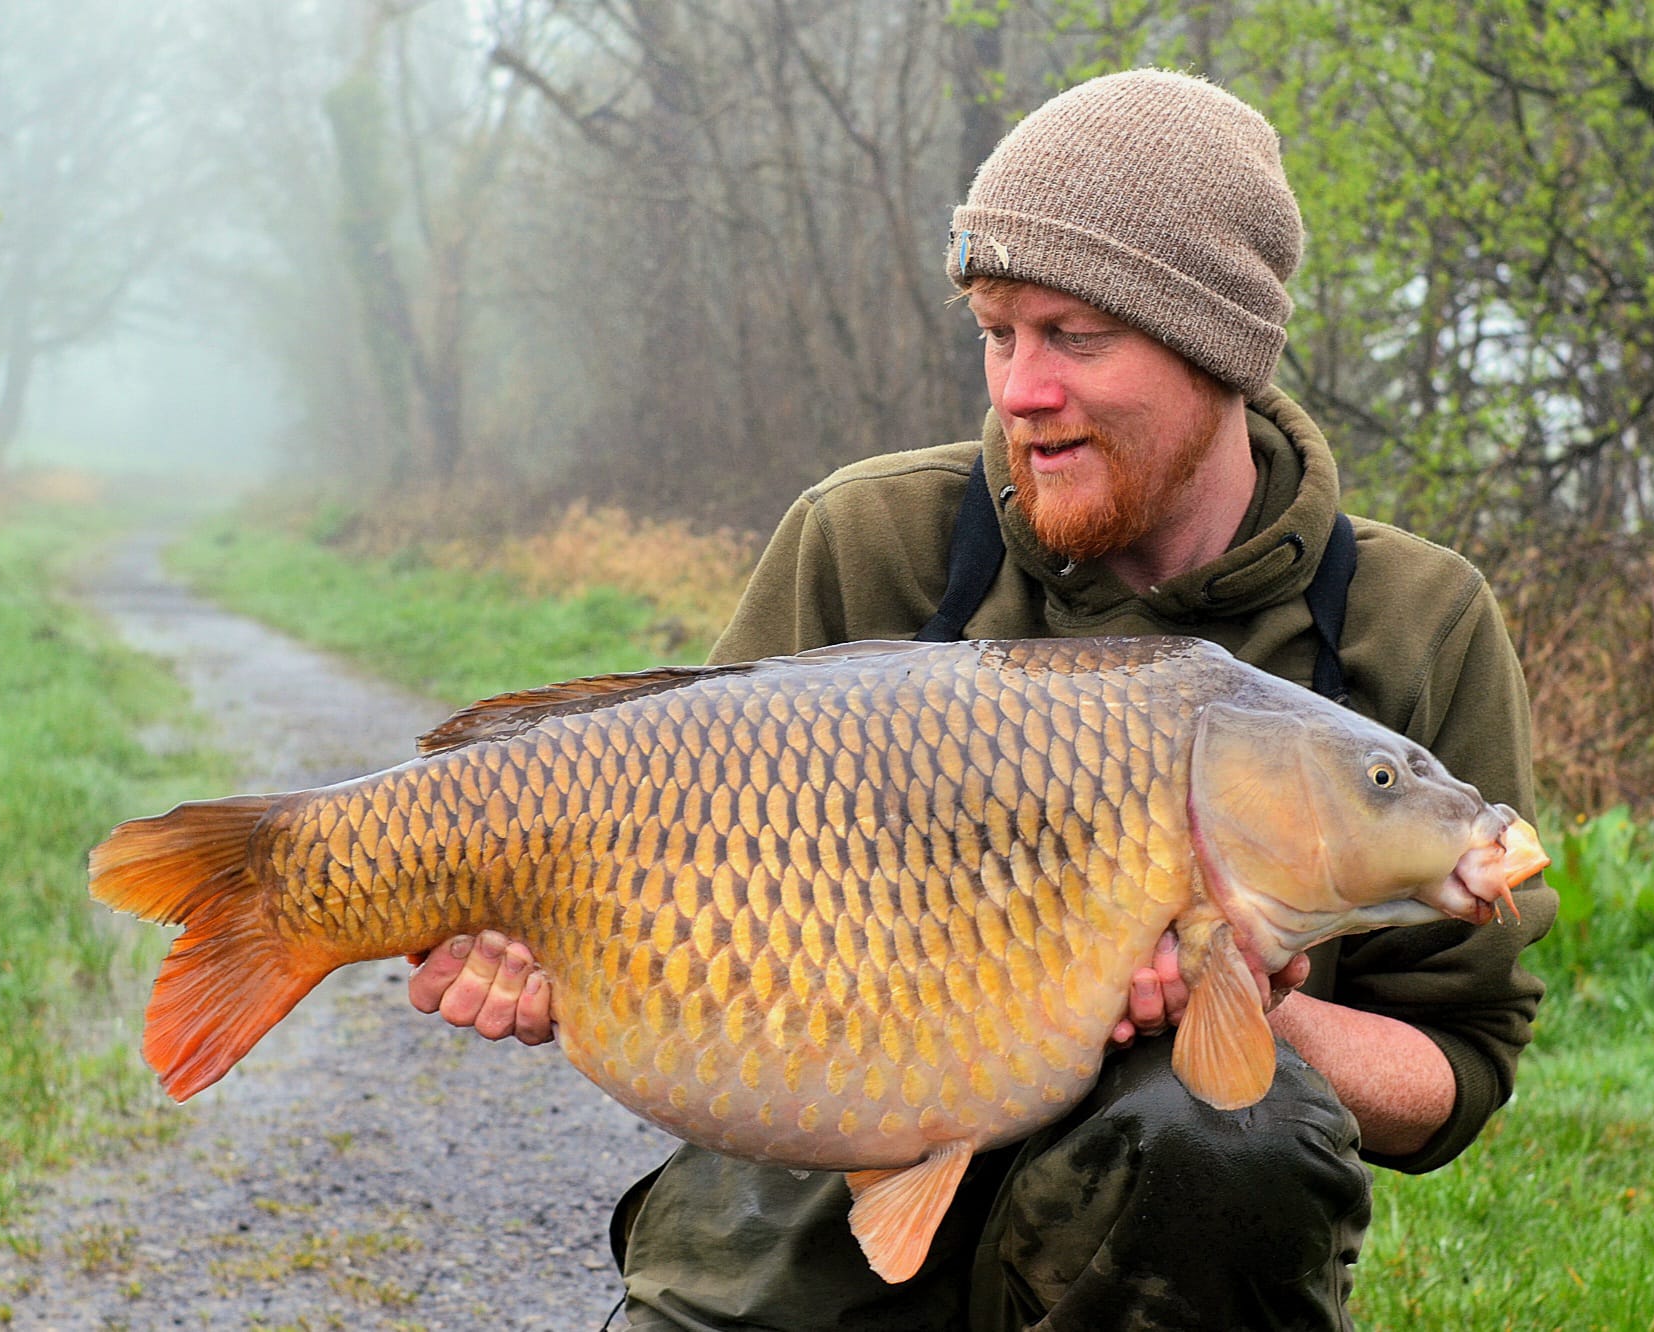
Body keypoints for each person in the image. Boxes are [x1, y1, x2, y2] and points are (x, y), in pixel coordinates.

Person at [408, 68, 1556, 1330]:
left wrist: (1260, 1008)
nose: (1019, 390)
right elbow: (666, 843)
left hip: (1152, 1234)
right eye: (997, 334)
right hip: (809, 1186)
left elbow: (1457, 1070)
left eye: (1074, 336)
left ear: (1212, 346)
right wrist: (538, 941)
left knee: (1226, 1125)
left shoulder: (1412, 622)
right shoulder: (867, 538)